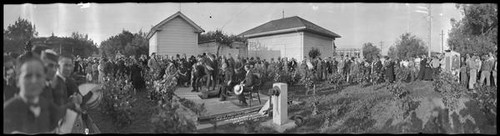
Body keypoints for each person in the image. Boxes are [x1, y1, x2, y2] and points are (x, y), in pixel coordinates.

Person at [3, 54, 68, 134]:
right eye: (28, 76)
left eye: (38, 76)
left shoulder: (48, 106)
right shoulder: (8, 111)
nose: (34, 81)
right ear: (17, 81)